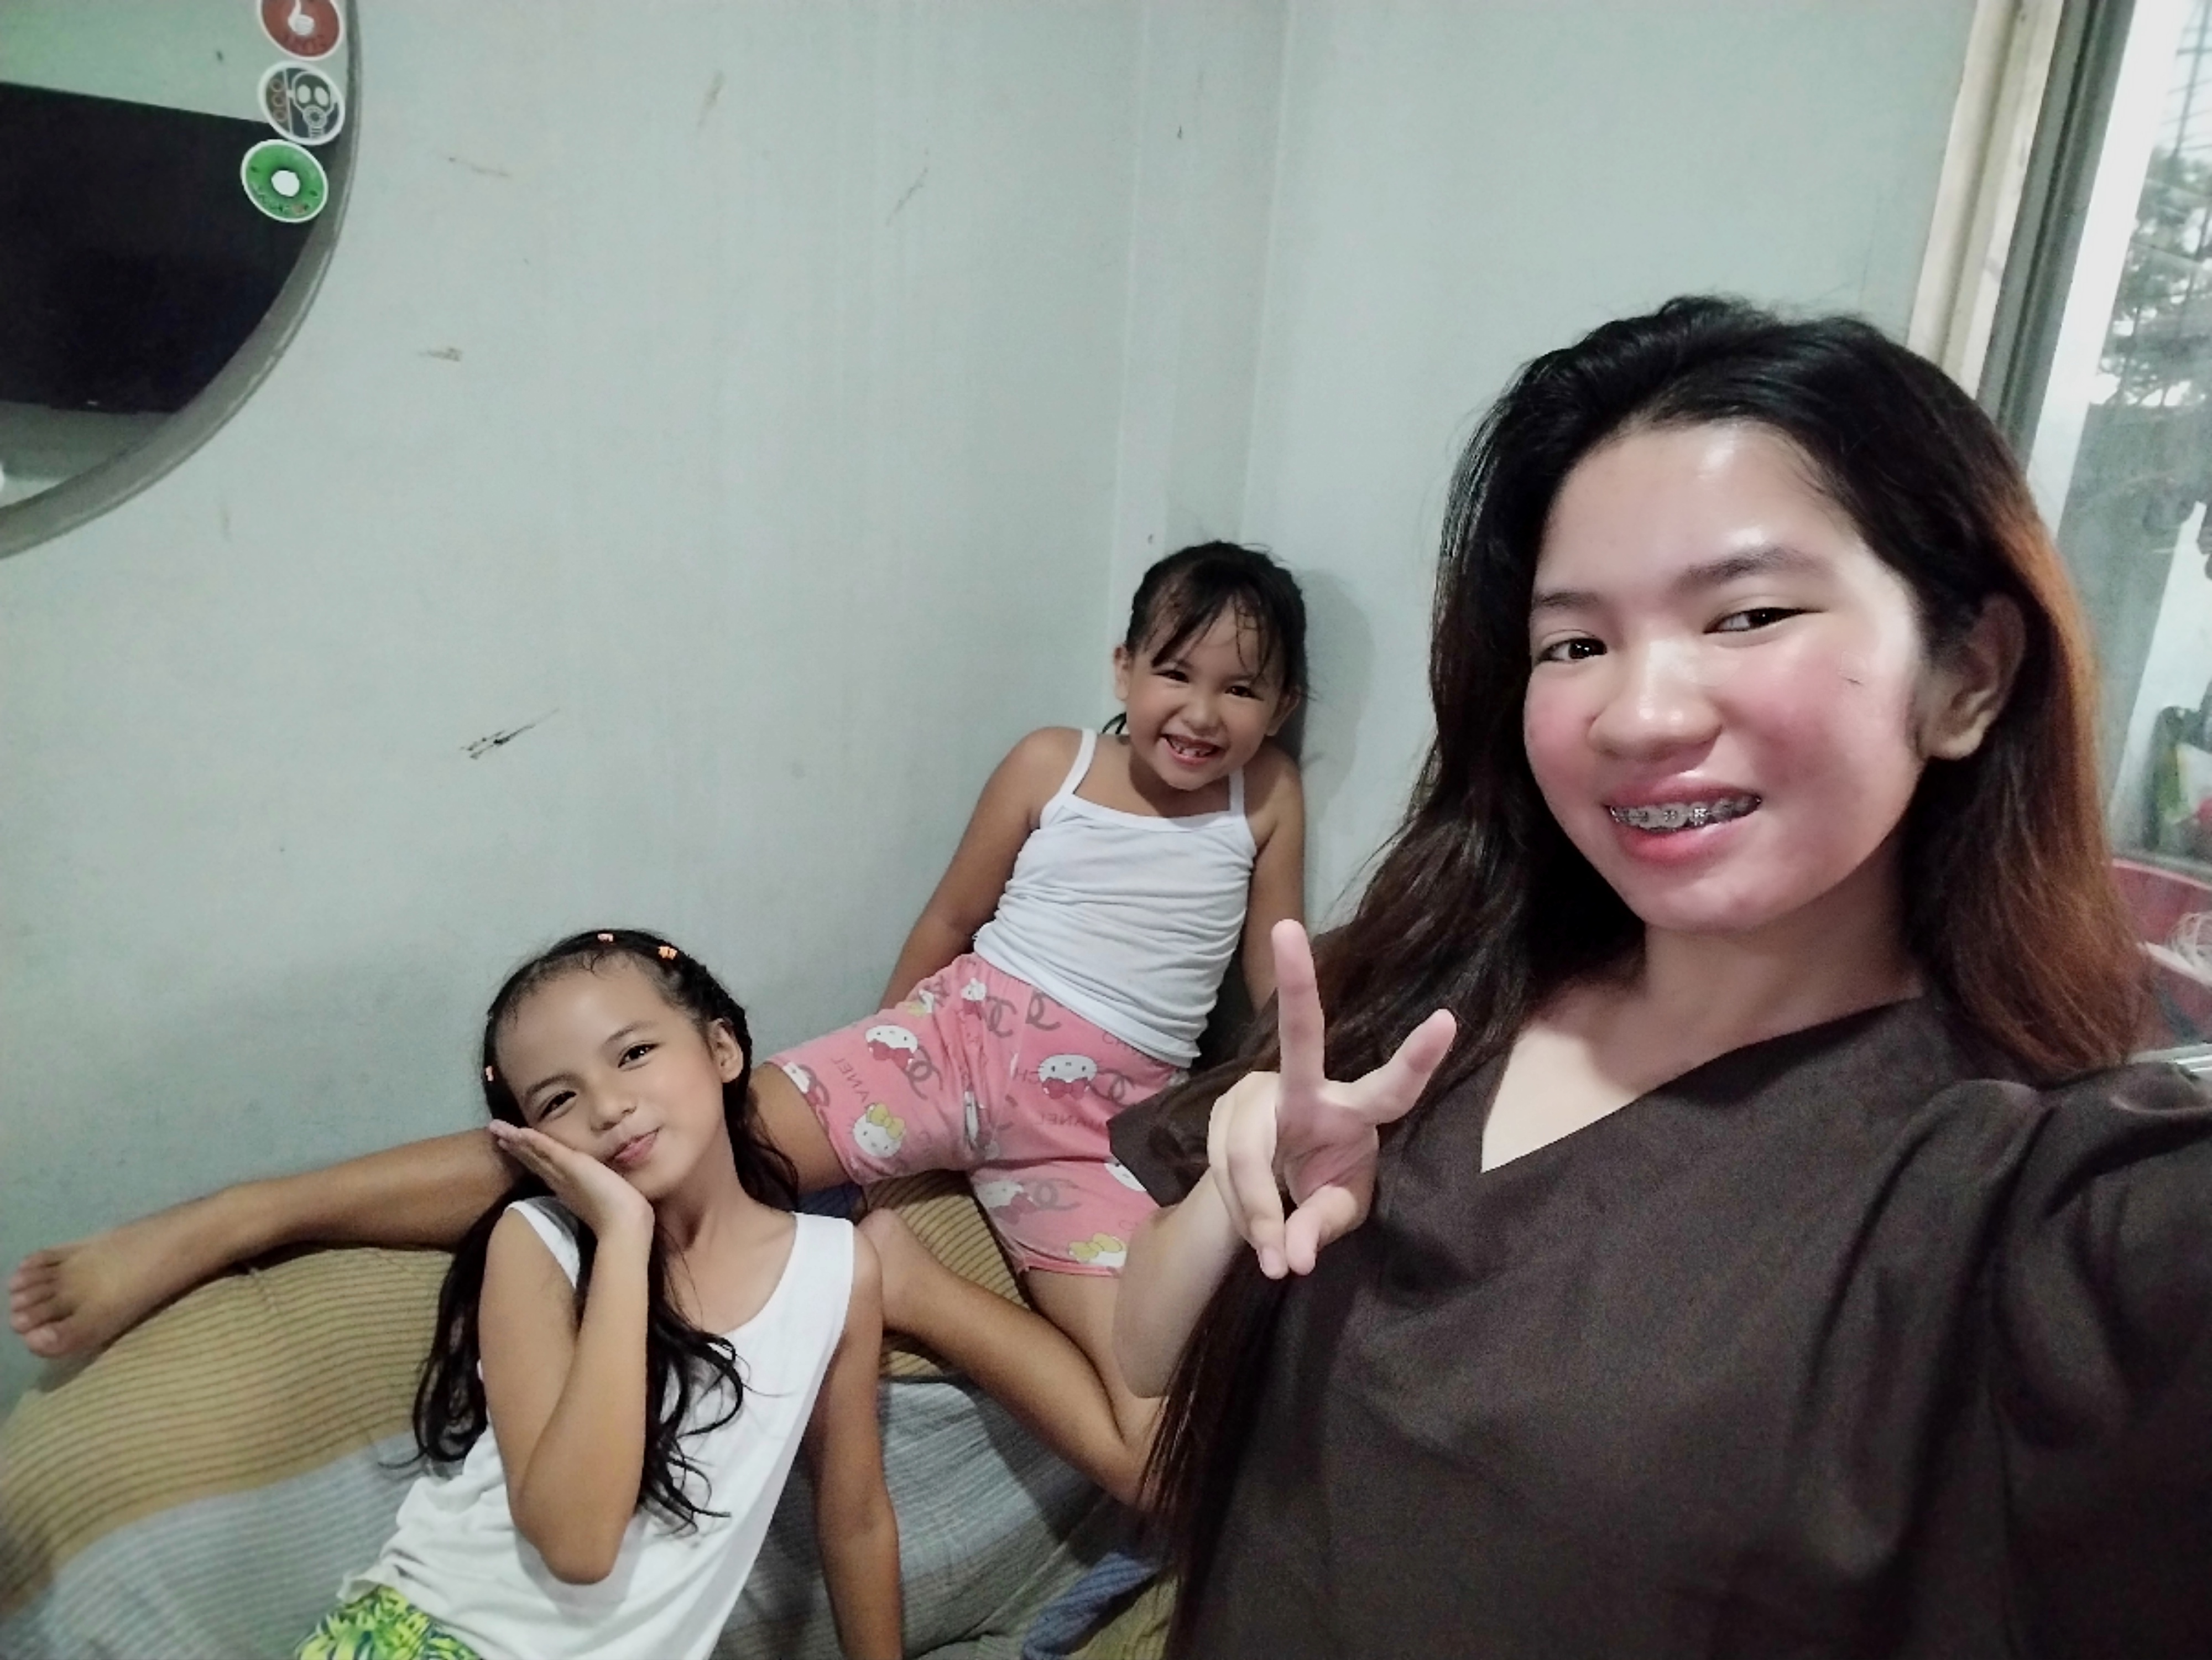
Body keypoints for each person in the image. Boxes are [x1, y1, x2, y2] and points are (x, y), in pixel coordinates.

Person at [1108, 296, 2212, 1657]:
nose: (1635, 716)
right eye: (1574, 643)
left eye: (1745, 615)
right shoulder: (1437, 989)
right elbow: (1142, 1352)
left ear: (1966, 676)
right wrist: (1245, 1179)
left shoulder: (2018, 1197)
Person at [11, 543, 1308, 1508]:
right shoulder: (1052, 764)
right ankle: (244, 1216)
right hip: (951, 1044)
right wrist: (878, 1073)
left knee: (1159, 1464)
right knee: (636, 1138)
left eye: (1238, 688)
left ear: (1281, 707)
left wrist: (1274, 1109)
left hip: (1090, 1126)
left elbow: (1273, 980)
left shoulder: (1264, 802)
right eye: (1172, 670)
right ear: (1121, 666)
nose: (1199, 712)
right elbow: (947, 920)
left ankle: (912, 1282)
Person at [293, 928, 899, 1660]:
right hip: (432, 1639)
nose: (608, 1107)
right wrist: (622, 1236)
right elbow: (577, 1544)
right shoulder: (538, 1243)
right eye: (558, 1099)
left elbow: (856, 1519)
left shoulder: (837, 1269)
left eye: (634, 1053)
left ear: (721, 1050)